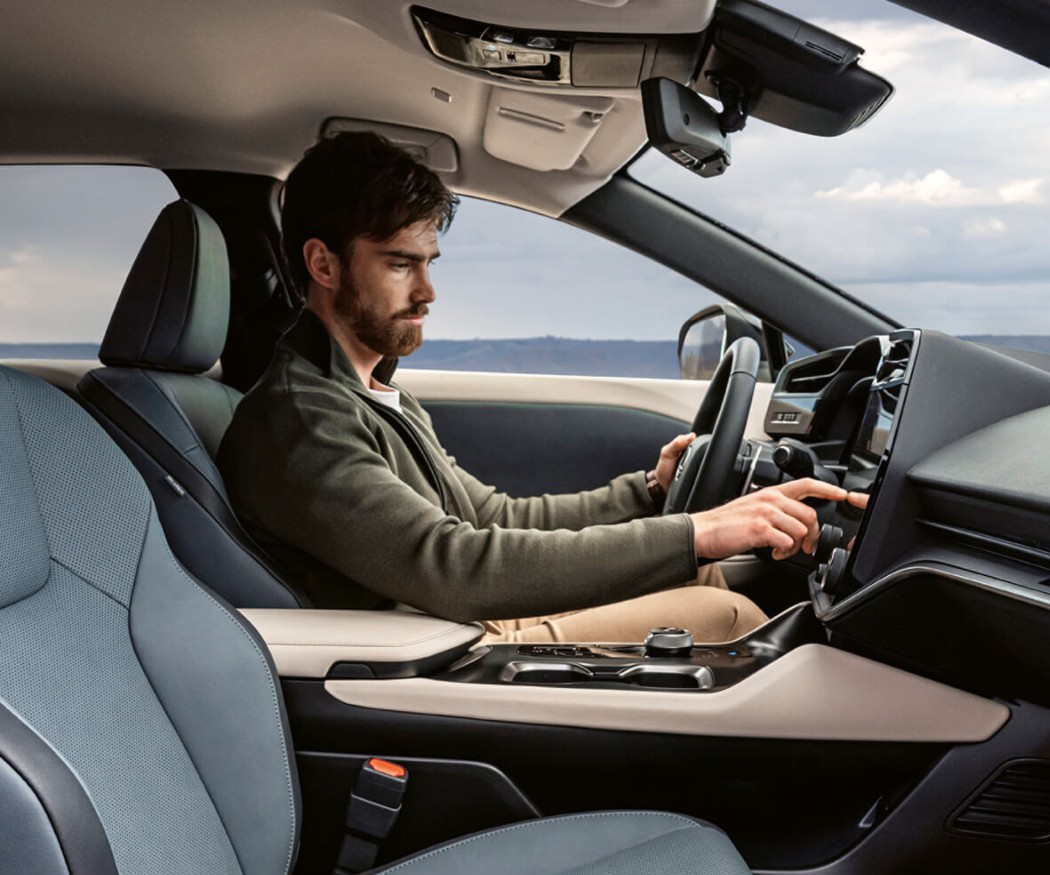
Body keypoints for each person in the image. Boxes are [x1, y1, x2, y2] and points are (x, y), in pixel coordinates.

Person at [218, 132, 867, 645]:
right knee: (723, 613)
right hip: (440, 648)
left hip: (456, 620)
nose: (426, 292)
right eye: (399, 265)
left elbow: (496, 518)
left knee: (694, 568)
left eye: (428, 264)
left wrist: (650, 494)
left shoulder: (372, 392)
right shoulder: (302, 417)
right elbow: (454, 567)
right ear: (322, 264)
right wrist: (699, 529)